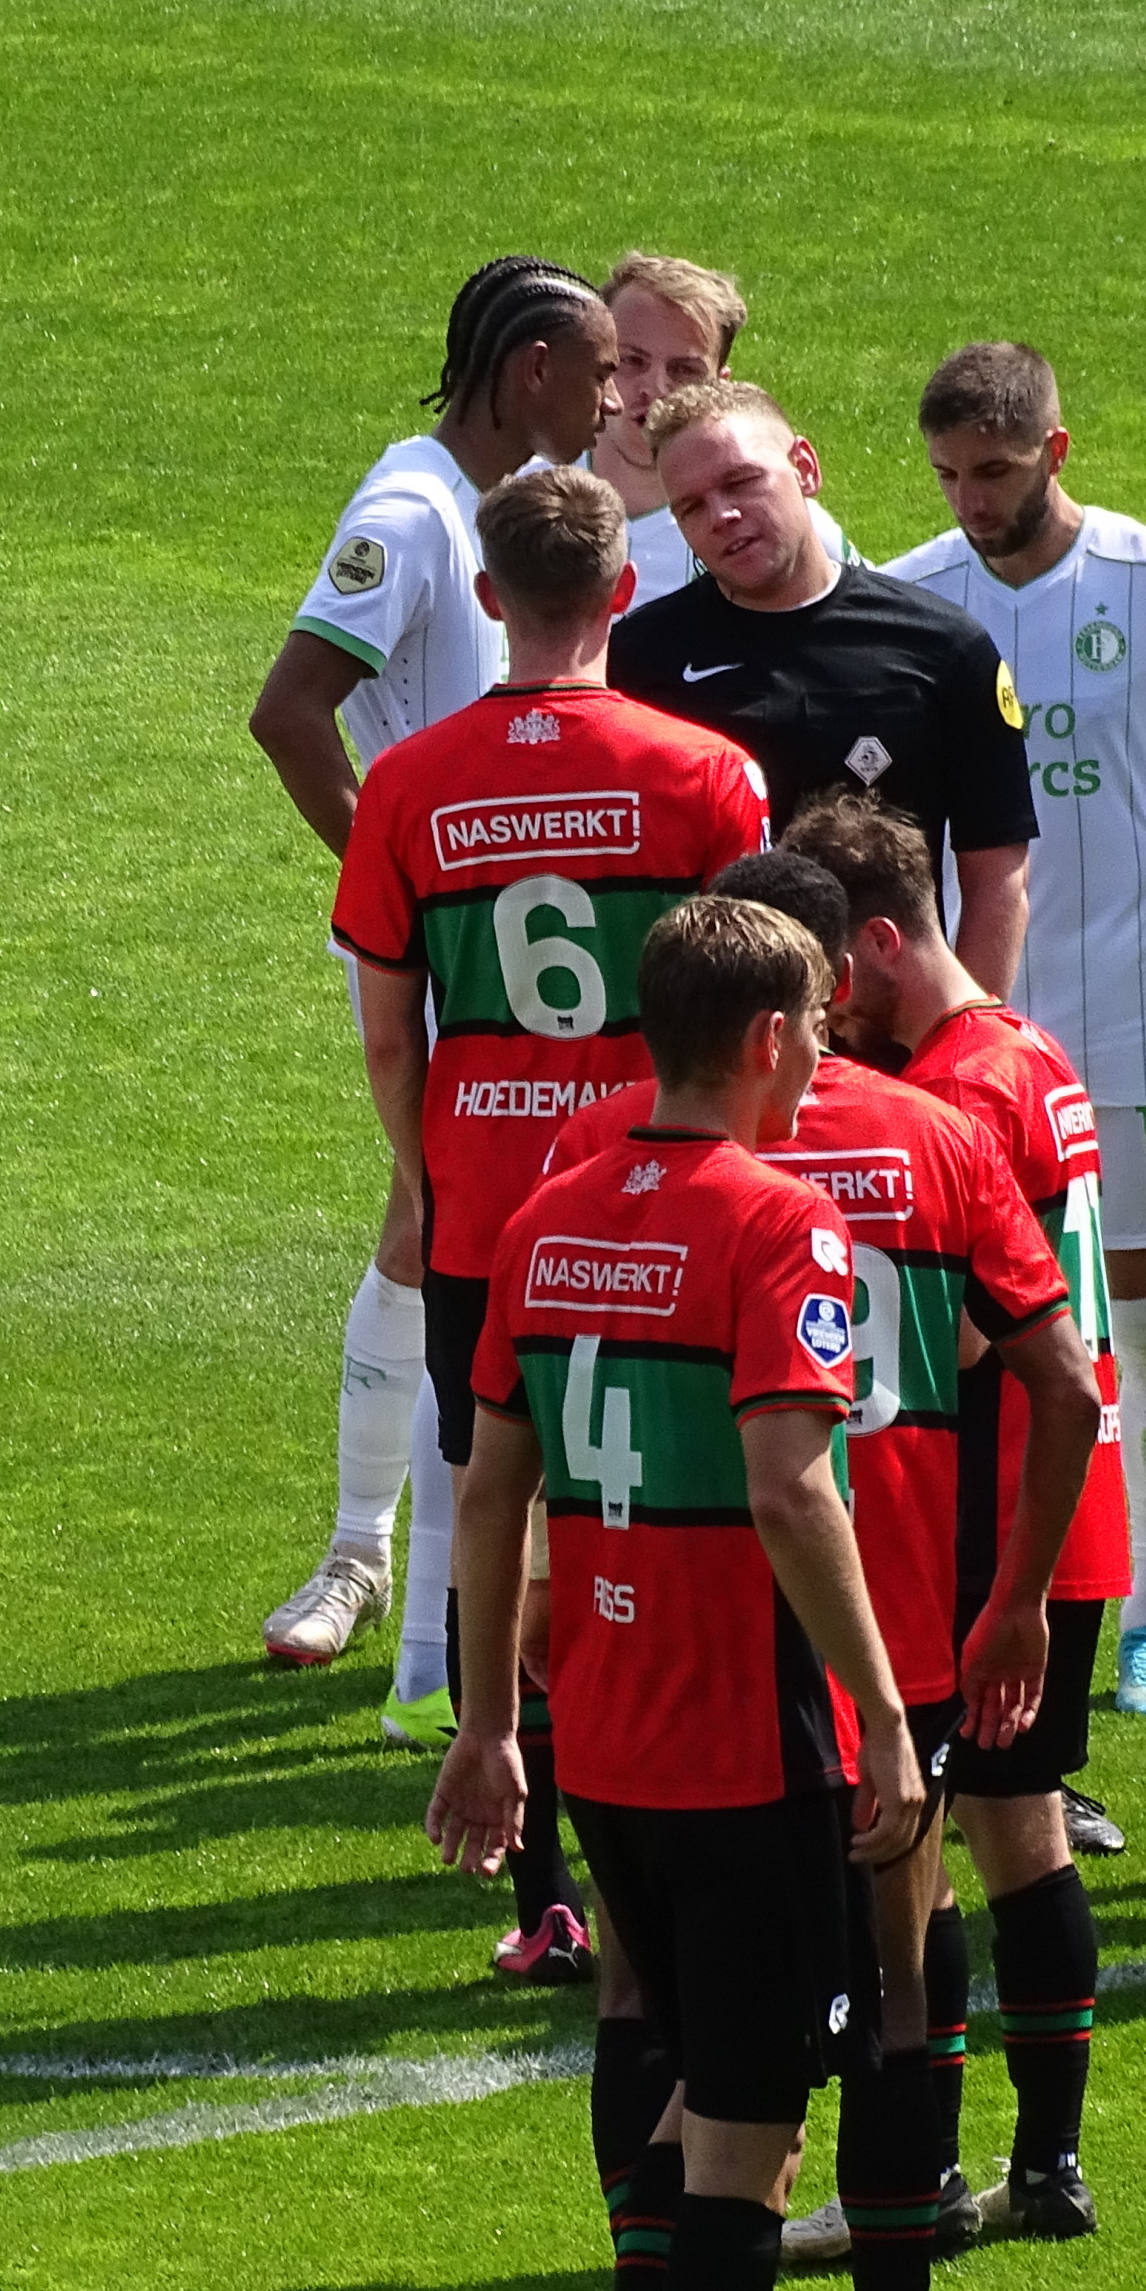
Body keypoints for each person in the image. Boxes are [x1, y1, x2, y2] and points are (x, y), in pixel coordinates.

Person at [543, 852, 1098, 2291]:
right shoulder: (941, 1140)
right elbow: (1063, 1385)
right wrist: (1017, 1605)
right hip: (884, 1645)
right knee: (898, 2005)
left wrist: (520, 1636)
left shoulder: (598, 1157)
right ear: (813, 999)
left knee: (653, 2017)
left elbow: (508, 1428)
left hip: (652, 1657)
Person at [432, 892, 917, 2291]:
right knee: (749, 2145)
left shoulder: (547, 1218)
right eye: (818, 1038)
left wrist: (493, 1726)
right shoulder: (786, 1228)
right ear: (775, 1039)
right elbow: (795, 1487)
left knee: (673, 2079)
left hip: (610, 1750)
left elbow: (491, 1489)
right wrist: (884, 1710)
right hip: (748, 1745)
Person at [333, 461, 770, 1983]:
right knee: (679, 1509)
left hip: (487, 1216)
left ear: (482, 594)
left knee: (498, 1509)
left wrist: (428, 1169)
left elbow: (393, 1035)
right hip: (673, 1203)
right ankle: (712, 1830)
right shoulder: (707, 775)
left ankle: (543, 1891)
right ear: (626, 592)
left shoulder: (406, 785)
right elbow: (756, 1006)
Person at [888, 344, 1146, 1720]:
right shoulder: (911, 599)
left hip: (1133, 1026)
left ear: (1057, 451)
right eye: (949, 474)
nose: (970, 499)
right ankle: (955, 1594)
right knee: (958, 1333)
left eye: (995, 472)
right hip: (957, 1041)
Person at [251, 259, 620, 1735]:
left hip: (498, 946)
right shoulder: (411, 515)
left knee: (461, 1234)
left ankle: (421, 1593)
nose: (613, 401)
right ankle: (363, 1568)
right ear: (529, 367)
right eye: (597, 372)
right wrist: (395, 894)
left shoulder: (501, 506)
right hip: (453, 964)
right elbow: (288, 713)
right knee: (430, 1231)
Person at [792, 797, 1124, 2236]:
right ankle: (1042, 2166)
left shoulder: (954, 1097)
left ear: (872, 944)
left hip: (993, 1520)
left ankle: (927, 2166)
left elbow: (969, 1344)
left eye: (821, 979)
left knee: (929, 1834)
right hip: (1064, 1503)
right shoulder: (1022, 1046)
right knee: (1013, 1823)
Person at [606, 379, 1035, 999]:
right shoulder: (641, 661)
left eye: (742, 482)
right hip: (720, 1039)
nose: (722, 516)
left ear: (804, 468)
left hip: (890, 1038)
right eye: (691, 507)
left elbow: (999, 882)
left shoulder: (943, 648)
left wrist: (962, 1048)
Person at [585, 253, 858, 614]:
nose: (654, 387)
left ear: (719, 384)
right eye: (632, 361)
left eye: (684, 371)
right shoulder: (517, 493)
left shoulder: (785, 527)